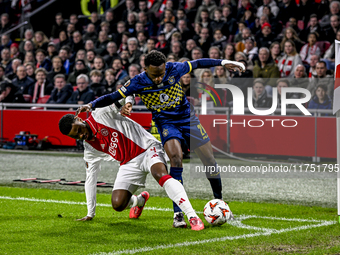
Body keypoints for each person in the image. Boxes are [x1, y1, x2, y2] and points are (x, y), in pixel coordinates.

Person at [75, 50, 244, 228]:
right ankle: (178, 214)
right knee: (176, 159)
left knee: (209, 160)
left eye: (162, 74)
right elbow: (113, 96)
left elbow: (198, 63)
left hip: (188, 119)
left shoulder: (174, 69)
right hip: (165, 123)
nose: (159, 78)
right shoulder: (137, 82)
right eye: (155, 75)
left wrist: (223, 62)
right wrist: (91, 105)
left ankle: (220, 203)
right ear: (145, 69)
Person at [58, 105, 205, 230]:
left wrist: (128, 102)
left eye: (79, 130)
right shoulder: (89, 149)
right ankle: (139, 201)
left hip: (147, 148)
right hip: (128, 163)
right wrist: (91, 213)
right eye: (76, 136)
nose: (81, 135)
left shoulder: (100, 114)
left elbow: (125, 92)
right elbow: (90, 179)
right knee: (118, 204)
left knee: (160, 174)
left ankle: (192, 216)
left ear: (80, 119)